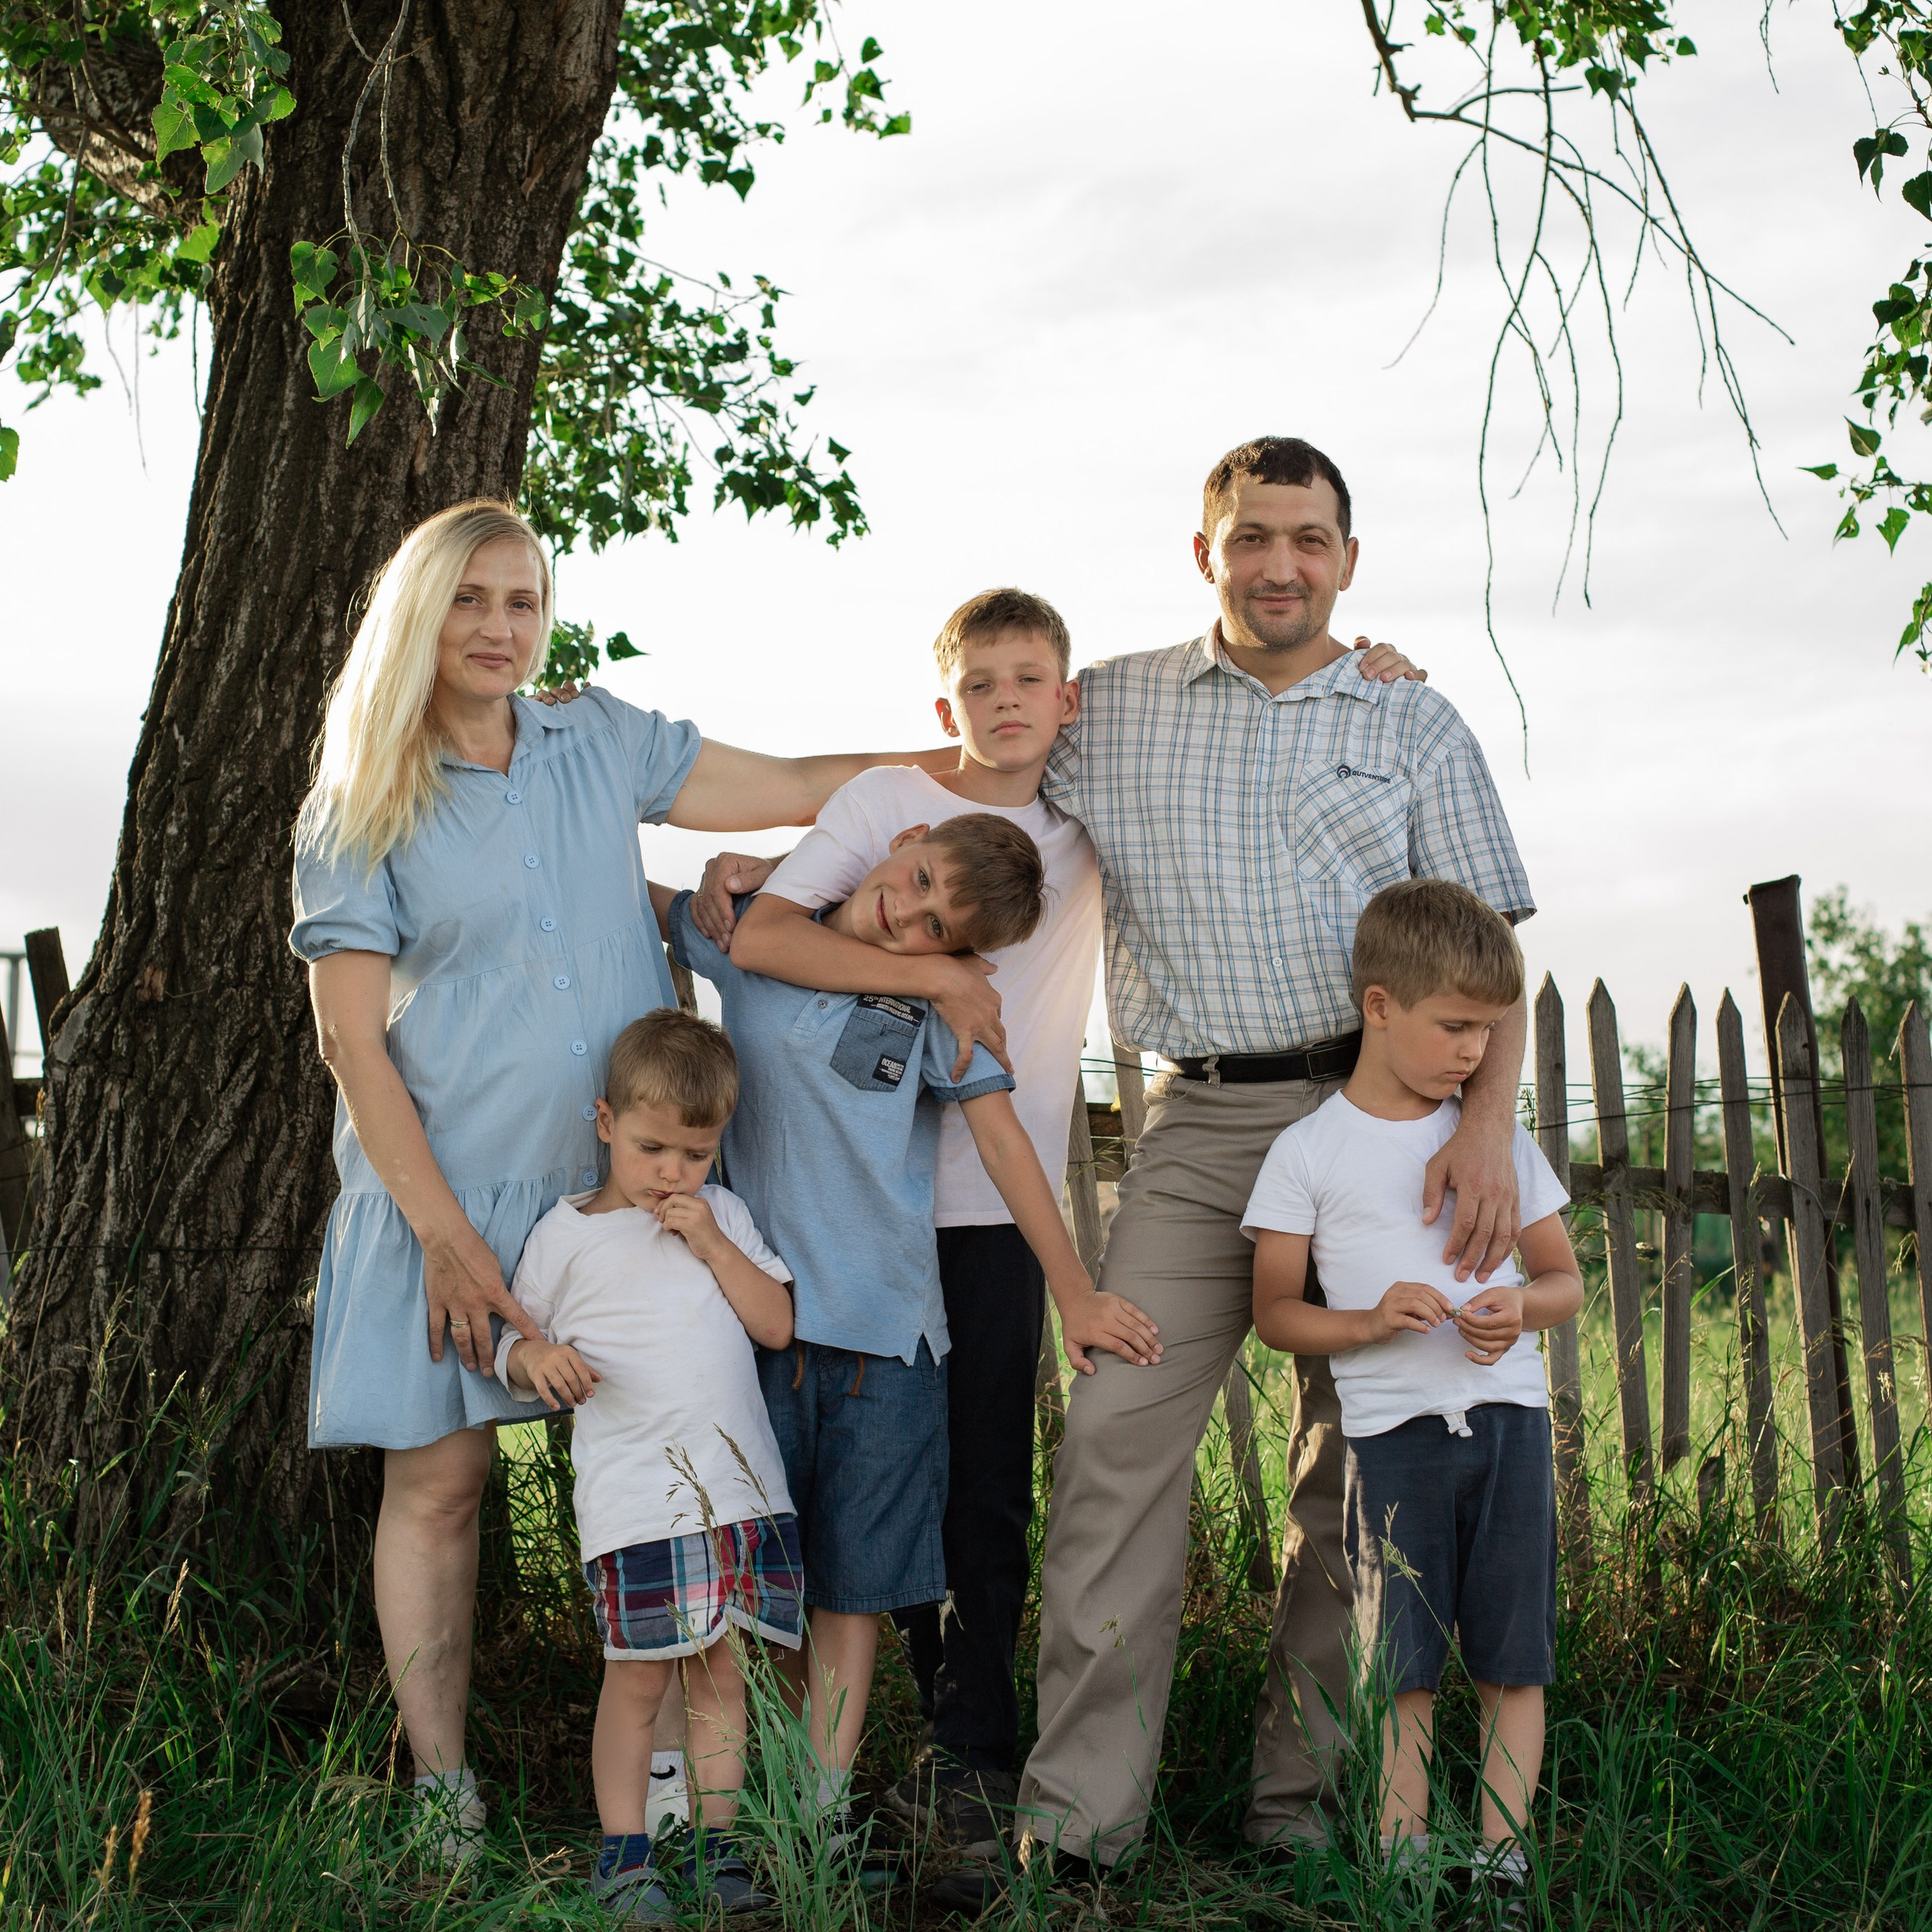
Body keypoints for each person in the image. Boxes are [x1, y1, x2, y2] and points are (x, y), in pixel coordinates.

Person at [291, 498, 959, 1866]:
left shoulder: (596, 741)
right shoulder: (364, 793)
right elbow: (349, 1036)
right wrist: (441, 1235)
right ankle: (445, 1794)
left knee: (678, 1455)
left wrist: (958, 758)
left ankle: (668, 1794)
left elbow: (783, 781)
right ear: (418, 614)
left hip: (631, 1186)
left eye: (522, 600)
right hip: (453, 1195)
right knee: (442, 1488)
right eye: (470, 599)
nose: (498, 627)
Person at [1008, 435, 1534, 1883]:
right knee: (1117, 1455)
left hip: (1382, 1129)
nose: (1280, 565)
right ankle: (1080, 1830)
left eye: (1308, 539)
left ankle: (1298, 1811)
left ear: (1348, 560)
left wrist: (1484, 1129)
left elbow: (1497, 954)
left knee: (1361, 1478)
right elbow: (961, 764)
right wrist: (759, 870)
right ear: (1207, 554)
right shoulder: (1103, 711)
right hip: (1199, 1125)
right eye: (1252, 537)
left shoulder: (1412, 722)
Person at [665, 817, 1161, 1869]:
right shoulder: (754, 936)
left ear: (964, 957)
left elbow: (1007, 1146)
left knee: (854, 1590)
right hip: (761, 1331)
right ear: (907, 837)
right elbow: (630, 897)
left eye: (940, 926)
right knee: (772, 1591)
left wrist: (1074, 1292)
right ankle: (735, 1812)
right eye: (920, 877)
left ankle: (814, 1813)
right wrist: (721, 865)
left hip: (889, 1344)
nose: (910, 909)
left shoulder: (938, 1010)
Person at [714, 589, 1100, 1877]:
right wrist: (935, 972)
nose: (1007, 700)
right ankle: (776, 1771)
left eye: (1030, 678)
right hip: (848, 1212)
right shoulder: (890, 806)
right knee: (844, 1489)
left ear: (1066, 697)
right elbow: (766, 931)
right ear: (949, 708)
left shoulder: (1091, 822)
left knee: (982, 1487)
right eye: (981, 681)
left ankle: (969, 1757)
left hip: (990, 1204)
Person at [1244, 879, 1580, 1915]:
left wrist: (1516, 1311)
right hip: (1390, 1442)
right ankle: (1401, 1861)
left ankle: (1502, 1866)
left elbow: (1565, 1284)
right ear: (1379, 1006)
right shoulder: (1309, 1152)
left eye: (1488, 1029)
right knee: (1404, 1664)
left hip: (1511, 1427)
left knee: (1512, 1656)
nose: (1478, 1051)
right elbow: (1273, 1314)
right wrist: (1370, 1321)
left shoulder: (1497, 1146)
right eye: (1456, 1026)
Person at [502, 1009, 801, 1922]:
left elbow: (777, 1325)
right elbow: (511, 1346)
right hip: (636, 1500)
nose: (672, 1172)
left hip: (739, 1491)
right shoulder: (564, 1237)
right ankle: (624, 1854)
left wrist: (711, 1239)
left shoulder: (728, 1219)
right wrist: (534, 1361)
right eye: (651, 1147)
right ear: (604, 1123)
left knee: (722, 1674)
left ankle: (717, 1849)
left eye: (696, 1154)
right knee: (635, 1678)